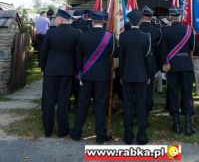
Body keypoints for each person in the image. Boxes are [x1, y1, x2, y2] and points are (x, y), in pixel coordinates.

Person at [70, 10, 115, 143]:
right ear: (103, 22)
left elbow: (78, 57)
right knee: (100, 105)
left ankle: (77, 133)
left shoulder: (83, 36)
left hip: (86, 75)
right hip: (102, 76)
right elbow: (114, 54)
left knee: (82, 104)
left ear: (92, 21)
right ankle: (100, 136)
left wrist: (80, 72)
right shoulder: (110, 37)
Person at [40, 9, 81, 138]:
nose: (55, 20)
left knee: (48, 101)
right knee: (63, 101)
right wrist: (76, 69)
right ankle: (63, 130)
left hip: (51, 70)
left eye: (56, 18)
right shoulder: (76, 33)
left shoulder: (50, 33)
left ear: (61, 19)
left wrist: (43, 68)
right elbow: (77, 54)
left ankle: (48, 130)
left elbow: (43, 53)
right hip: (67, 71)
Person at [160, 7, 195, 135]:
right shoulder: (188, 30)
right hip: (186, 64)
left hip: (172, 66)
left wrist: (165, 64)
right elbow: (192, 47)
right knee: (187, 95)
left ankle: (176, 125)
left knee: (173, 94)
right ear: (180, 17)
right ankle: (188, 126)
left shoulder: (165, 31)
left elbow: (163, 51)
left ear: (170, 17)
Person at [119, 9, 151, 145]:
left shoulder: (123, 37)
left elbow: (121, 59)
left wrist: (121, 75)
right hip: (141, 75)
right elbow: (148, 59)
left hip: (126, 75)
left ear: (130, 21)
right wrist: (149, 75)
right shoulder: (146, 36)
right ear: (140, 21)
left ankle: (128, 136)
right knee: (141, 106)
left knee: (127, 106)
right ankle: (142, 136)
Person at [139, 5, 162, 117]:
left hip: (137, 61)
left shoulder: (135, 27)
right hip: (151, 61)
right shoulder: (157, 31)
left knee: (136, 87)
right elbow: (158, 49)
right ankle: (146, 109)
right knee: (149, 87)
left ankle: (137, 108)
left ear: (142, 15)